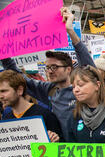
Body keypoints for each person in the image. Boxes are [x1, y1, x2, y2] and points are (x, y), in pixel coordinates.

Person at [0, 7, 95, 141]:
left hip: (92, 150)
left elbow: (88, 66)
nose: (50, 71)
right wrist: (2, 47)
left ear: (69, 69)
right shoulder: (49, 91)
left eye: (55, 67)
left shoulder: (84, 87)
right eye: (48, 67)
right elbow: (17, 76)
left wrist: (70, 31)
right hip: (66, 153)